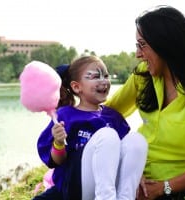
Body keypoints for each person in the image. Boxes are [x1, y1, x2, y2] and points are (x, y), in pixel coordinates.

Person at [105, 6, 185, 200]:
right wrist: (129, 169)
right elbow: (109, 114)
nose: (138, 53)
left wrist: (162, 188)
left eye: (142, 44)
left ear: (164, 44)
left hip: (173, 187)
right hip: (131, 176)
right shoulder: (142, 76)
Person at [33, 55, 148, 200]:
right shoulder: (66, 115)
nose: (103, 81)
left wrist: (138, 174)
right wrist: (59, 142)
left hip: (110, 183)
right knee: (107, 136)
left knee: (136, 140)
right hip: (77, 187)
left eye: (106, 76)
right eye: (95, 77)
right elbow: (56, 161)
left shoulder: (113, 116)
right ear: (76, 87)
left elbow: (127, 153)